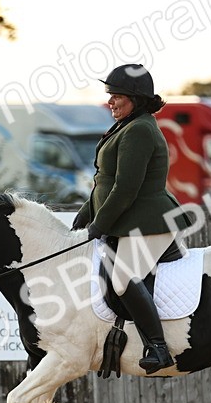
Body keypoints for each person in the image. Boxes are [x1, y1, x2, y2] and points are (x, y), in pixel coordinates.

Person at [73, 64, 191, 374]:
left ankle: (158, 348)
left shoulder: (140, 129)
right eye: (109, 95)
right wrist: (86, 214)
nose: (110, 101)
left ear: (135, 99)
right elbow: (105, 181)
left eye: (116, 95)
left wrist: (100, 225)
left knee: (123, 279)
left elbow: (125, 189)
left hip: (149, 223)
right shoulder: (126, 125)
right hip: (131, 224)